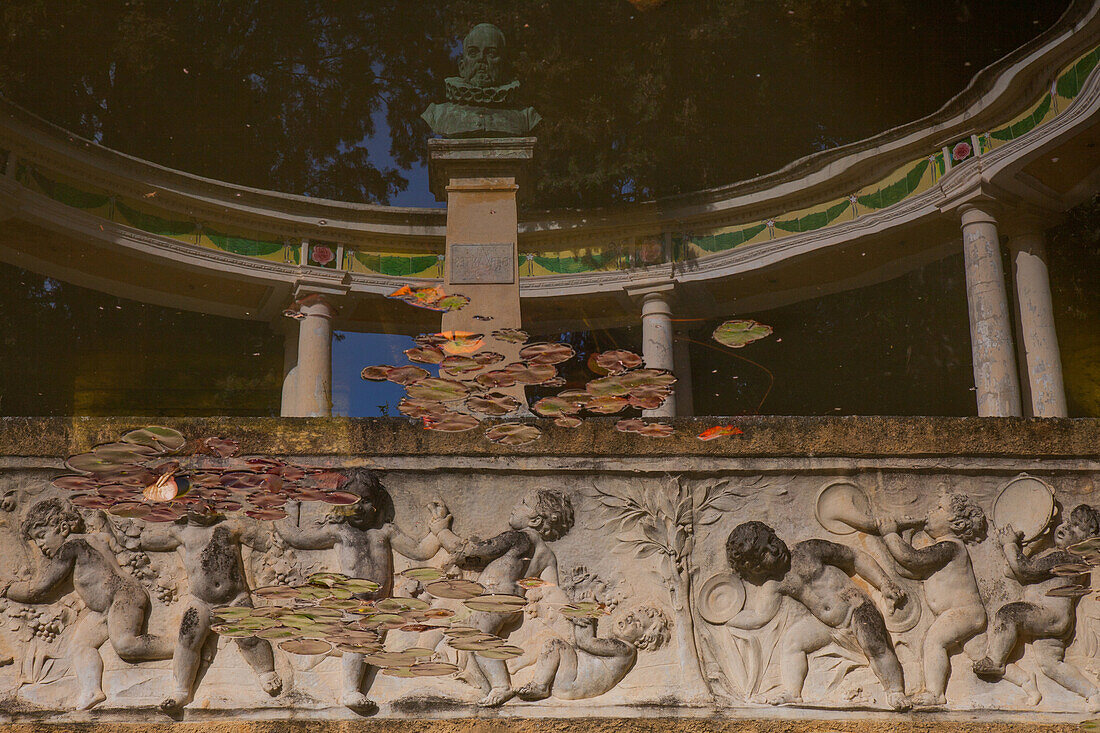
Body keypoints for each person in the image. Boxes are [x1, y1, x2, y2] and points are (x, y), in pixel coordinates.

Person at [275, 469, 450, 711]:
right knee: (359, 641)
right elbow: (297, 538)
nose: (358, 507)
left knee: (369, 648)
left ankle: (345, 676)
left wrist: (438, 528)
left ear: (377, 504)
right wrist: (284, 510)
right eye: (351, 500)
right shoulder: (340, 532)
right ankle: (349, 691)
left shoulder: (385, 532)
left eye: (365, 501)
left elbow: (420, 552)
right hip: (352, 603)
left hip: (381, 607)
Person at [3, 499, 171, 709]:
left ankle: (181, 647)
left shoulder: (71, 547)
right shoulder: (94, 538)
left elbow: (41, 589)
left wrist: (7, 589)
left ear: (62, 528)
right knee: (80, 646)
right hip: (104, 609)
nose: (40, 546)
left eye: (41, 536)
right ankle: (92, 691)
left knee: (126, 644)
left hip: (123, 597)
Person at [724, 521, 911, 710]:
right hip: (828, 626)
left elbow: (855, 557)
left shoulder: (808, 550)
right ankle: (793, 693)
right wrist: (727, 618)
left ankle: (895, 691)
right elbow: (759, 616)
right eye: (764, 553)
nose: (774, 548)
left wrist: (884, 583)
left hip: (856, 608)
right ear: (756, 568)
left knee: (875, 645)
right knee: (793, 641)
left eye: (772, 540)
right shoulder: (774, 584)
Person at [110, 506, 281, 713]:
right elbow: (145, 541)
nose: (206, 507)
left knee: (250, 637)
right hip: (201, 601)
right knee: (186, 640)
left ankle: (266, 671)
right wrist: (123, 526)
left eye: (211, 501)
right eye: (199, 503)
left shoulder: (229, 527)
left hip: (234, 598)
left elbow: (264, 541)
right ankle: (182, 691)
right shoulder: (181, 532)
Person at [432, 488, 574, 706]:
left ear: (535, 520)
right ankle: (484, 681)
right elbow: (551, 590)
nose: (516, 506)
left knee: (478, 639)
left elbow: (473, 550)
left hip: (493, 597)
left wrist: (442, 531)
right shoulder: (547, 555)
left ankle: (501, 685)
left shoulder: (518, 538)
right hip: (513, 606)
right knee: (477, 641)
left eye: (523, 502)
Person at [973, 504, 1100, 710]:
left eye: (1075, 525)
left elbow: (1026, 570)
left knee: (1009, 614)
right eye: (1067, 521)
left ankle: (995, 660)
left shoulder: (1065, 556)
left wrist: (1009, 544)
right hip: (1056, 620)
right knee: (1050, 666)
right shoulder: (1068, 558)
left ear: (1089, 537)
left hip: (1047, 614)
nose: (1066, 526)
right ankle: (1092, 694)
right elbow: (1010, 572)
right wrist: (1032, 544)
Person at [877, 493, 988, 707]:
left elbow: (912, 559)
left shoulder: (950, 547)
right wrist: (903, 537)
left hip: (964, 612)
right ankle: (1027, 683)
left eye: (938, 508)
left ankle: (935, 694)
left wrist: (890, 535)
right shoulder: (943, 550)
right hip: (962, 614)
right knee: (979, 656)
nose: (930, 511)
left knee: (934, 641)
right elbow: (907, 569)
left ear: (956, 524)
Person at [515, 604, 670, 701]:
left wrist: (587, 610)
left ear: (642, 640)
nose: (630, 618)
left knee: (553, 644)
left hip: (571, 682)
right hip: (570, 684)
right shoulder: (625, 651)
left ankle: (539, 686)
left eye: (637, 623)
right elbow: (581, 643)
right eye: (632, 614)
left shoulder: (624, 649)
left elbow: (585, 642)